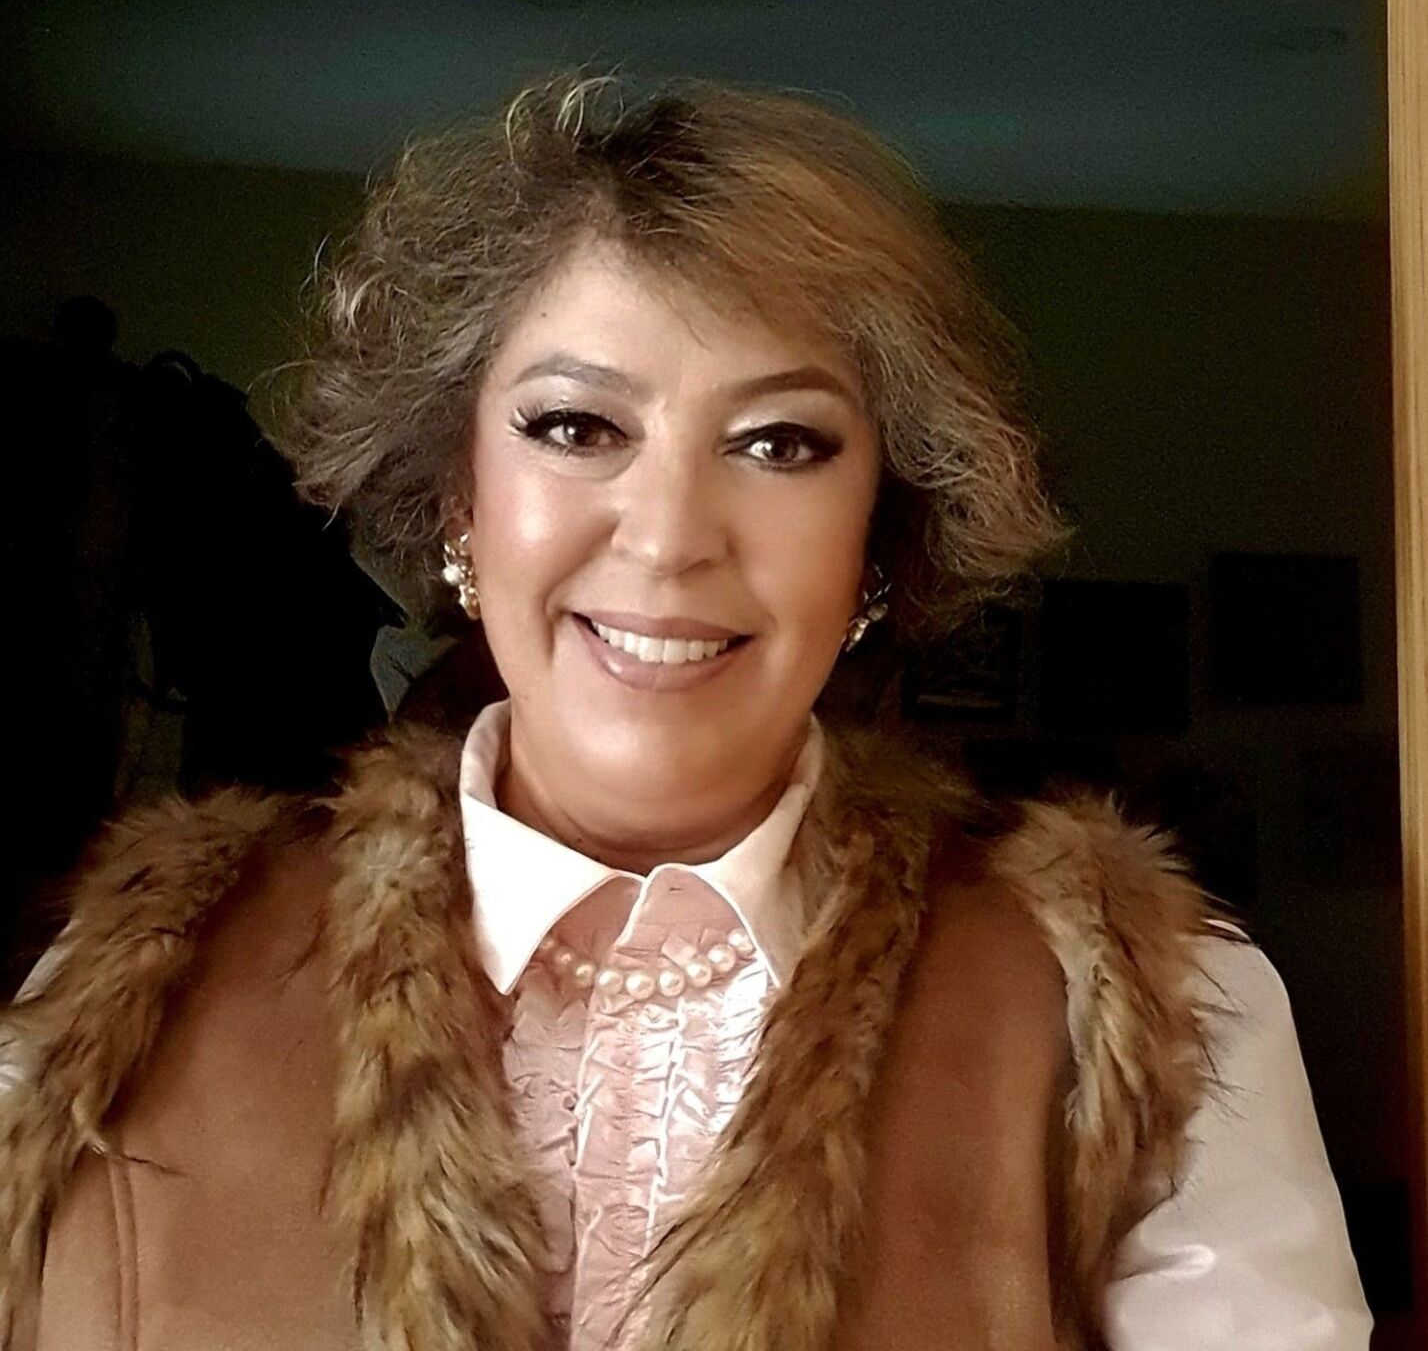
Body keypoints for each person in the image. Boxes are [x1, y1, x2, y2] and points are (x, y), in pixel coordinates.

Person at [0, 72, 1372, 1350]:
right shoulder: (129, 983)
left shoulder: (1143, 1012)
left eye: (779, 443)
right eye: (576, 427)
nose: (666, 539)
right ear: (462, 494)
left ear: (879, 535)